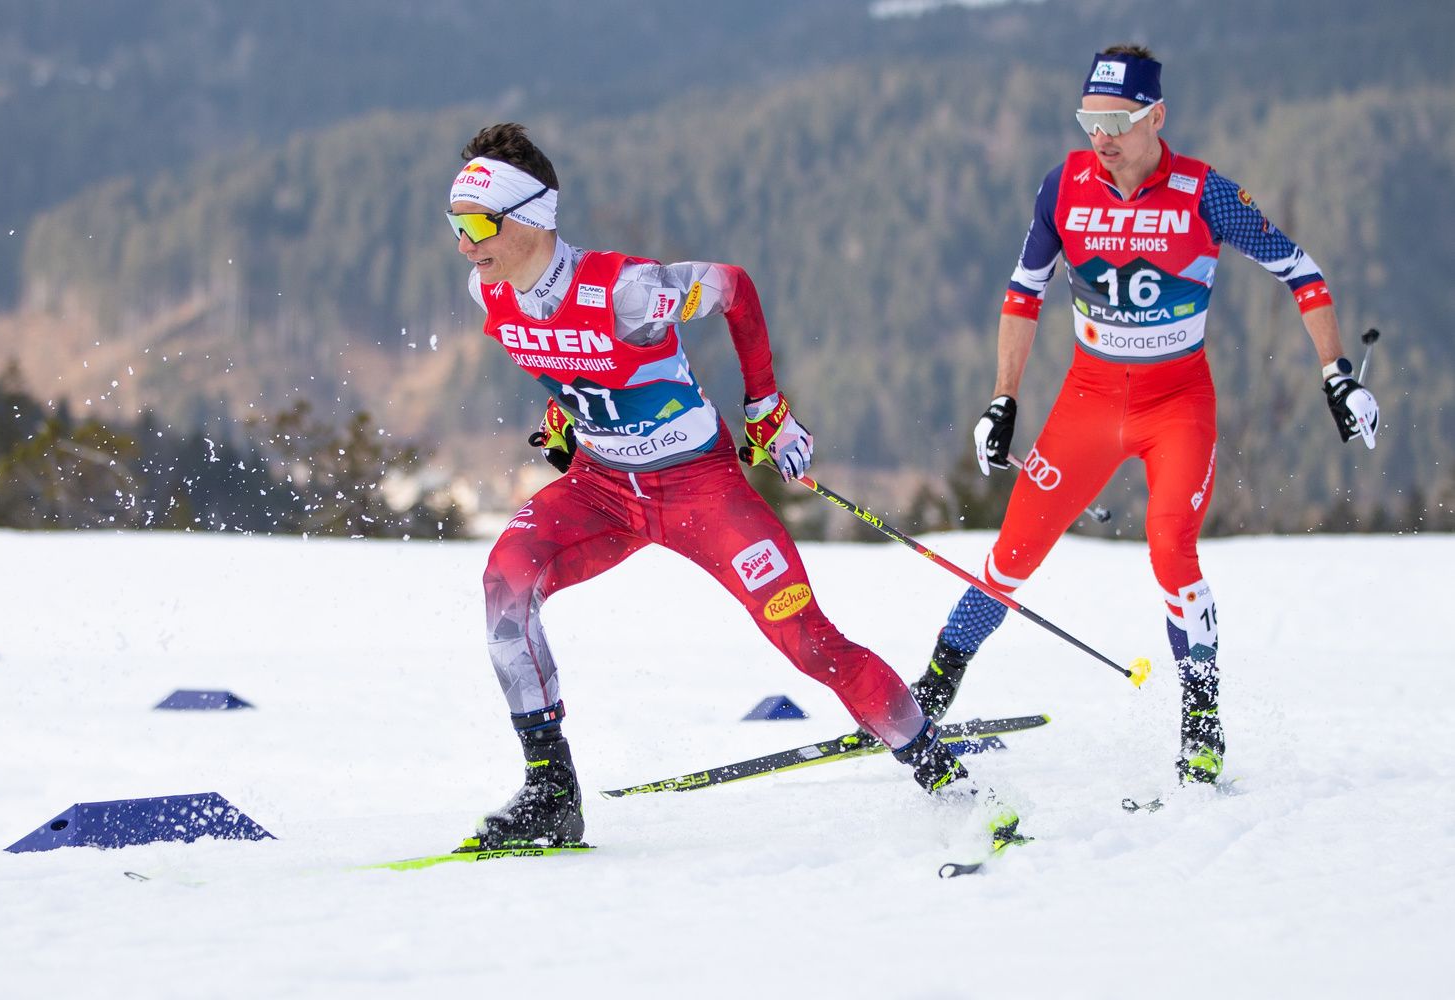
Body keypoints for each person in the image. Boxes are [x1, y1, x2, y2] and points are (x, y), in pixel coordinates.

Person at [447, 123, 995, 847]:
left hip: (700, 490)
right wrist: (567, 413)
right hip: (602, 488)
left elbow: (734, 288)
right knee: (505, 589)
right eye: (455, 224)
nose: (464, 243)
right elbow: (571, 362)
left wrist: (765, 407)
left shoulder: (629, 291)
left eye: (480, 224)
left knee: (810, 643)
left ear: (532, 217)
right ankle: (552, 794)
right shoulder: (490, 294)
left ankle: (948, 783)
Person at [908, 46, 1379, 785]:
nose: (1102, 135)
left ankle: (1200, 716)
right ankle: (935, 686)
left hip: (1175, 408)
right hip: (1087, 404)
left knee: (1170, 552)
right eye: (1090, 118)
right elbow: (1022, 294)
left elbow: (1302, 270)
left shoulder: (1203, 193)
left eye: (1118, 120)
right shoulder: (1063, 186)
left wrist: (1337, 376)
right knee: (1012, 553)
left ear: (1156, 116)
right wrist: (1004, 399)